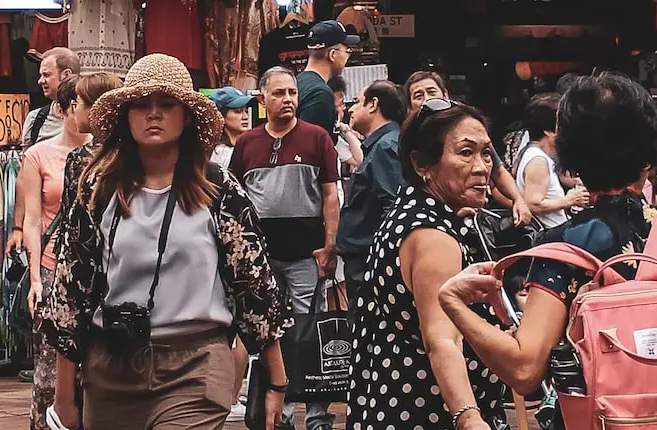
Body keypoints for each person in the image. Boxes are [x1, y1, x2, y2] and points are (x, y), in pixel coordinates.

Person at [432, 72, 657, 430]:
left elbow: (525, 370)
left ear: (571, 157)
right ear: (649, 154)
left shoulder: (559, 246)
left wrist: (451, 302)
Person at [39, 53, 291, 429]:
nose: (153, 114)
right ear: (127, 115)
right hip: (112, 365)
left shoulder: (217, 189)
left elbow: (254, 287)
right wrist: (63, 397)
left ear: (186, 115)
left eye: (166, 104)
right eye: (141, 105)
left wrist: (277, 380)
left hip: (196, 363)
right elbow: (69, 294)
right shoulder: (99, 189)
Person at [344, 96, 515, 429]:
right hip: (428, 411)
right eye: (466, 153)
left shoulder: (412, 211)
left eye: (486, 153)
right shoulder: (433, 235)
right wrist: (468, 417)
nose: (482, 167)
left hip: (389, 399)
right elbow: (442, 338)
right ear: (422, 165)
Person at [233, 66, 342, 430]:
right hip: (261, 259)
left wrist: (329, 245)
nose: (288, 100)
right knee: (268, 333)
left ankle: (317, 415)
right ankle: (276, 414)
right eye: (279, 93)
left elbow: (330, 195)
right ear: (262, 100)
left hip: (305, 255)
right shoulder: (247, 143)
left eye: (292, 93)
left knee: (307, 332)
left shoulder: (317, 138)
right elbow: (236, 200)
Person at [16, 72, 120, 430]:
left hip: (99, 272)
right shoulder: (39, 156)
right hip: (52, 265)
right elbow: (32, 220)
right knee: (50, 372)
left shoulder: (108, 158)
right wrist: (35, 278)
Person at [402, 71, 532, 225]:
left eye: (431, 92)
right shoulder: (408, 141)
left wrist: (518, 200)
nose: (427, 99)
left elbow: (498, 170)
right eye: (418, 96)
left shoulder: (470, 131)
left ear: (445, 96)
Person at [336, 79, 406, 288]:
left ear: (373, 104)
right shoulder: (382, 144)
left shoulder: (386, 147)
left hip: (371, 261)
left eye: (358, 102)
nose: (351, 109)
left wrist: (383, 257)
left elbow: (393, 206)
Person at [514, 92, 589, 229]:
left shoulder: (536, 154)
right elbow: (534, 204)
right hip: (551, 237)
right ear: (548, 131)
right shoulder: (538, 160)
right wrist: (569, 200)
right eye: (563, 125)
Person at [296, 20, 355, 134]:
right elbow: (312, 144)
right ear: (332, 54)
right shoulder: (320, 93)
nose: (347, 56)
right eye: (347, 51)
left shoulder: (297, 81)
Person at [24, 48, 83, 147]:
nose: (40, 81)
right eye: (41, 75)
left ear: (66, 75)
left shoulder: (87, 118)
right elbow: (26, 160)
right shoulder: (35, 119)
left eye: (46, 75)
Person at [209, 86, 258, 168]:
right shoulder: (219, 152)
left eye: (246, 111)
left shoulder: (250, 144)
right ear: (221, 116)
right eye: (238, 112)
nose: (245, 117)